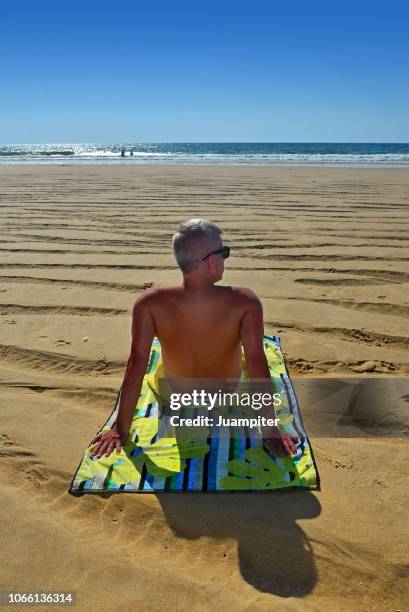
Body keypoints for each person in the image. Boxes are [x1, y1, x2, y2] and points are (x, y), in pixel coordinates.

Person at [90, 218, 298, 458]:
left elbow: (137, 364)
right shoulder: (244, 301)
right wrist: (270, 430)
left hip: (177, 394)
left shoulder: (148, 303)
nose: (224, 259)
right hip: (228, 393)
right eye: (224, 253)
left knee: (158, 364)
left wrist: (120, 429)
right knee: (247, 359)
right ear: (211, 260)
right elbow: (256, 363)